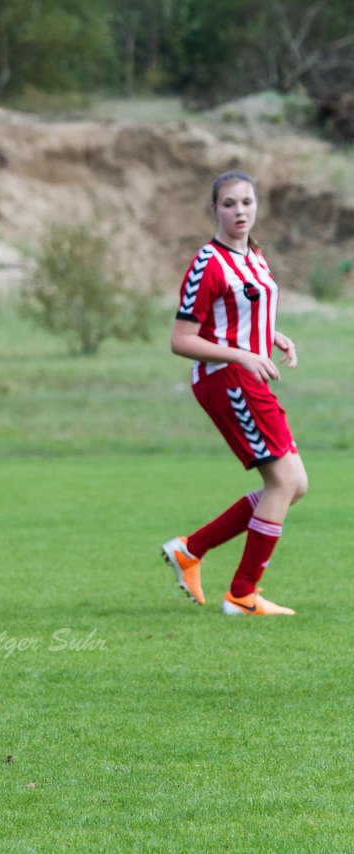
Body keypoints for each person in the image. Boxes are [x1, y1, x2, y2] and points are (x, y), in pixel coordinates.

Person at [162, 170, 308, 616]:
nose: (239, 211)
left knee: (294, 485)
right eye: (229, 204)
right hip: (227, 382)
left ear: (256, 205)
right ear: (214, 210)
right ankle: (243, 595)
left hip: (249, 376)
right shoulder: (208, 263)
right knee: (282, 482)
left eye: (246, 202)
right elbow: (181, 339)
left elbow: (241, 316)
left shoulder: (254, 255)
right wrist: (243, 355)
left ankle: (191, 550)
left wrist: (271, 336)